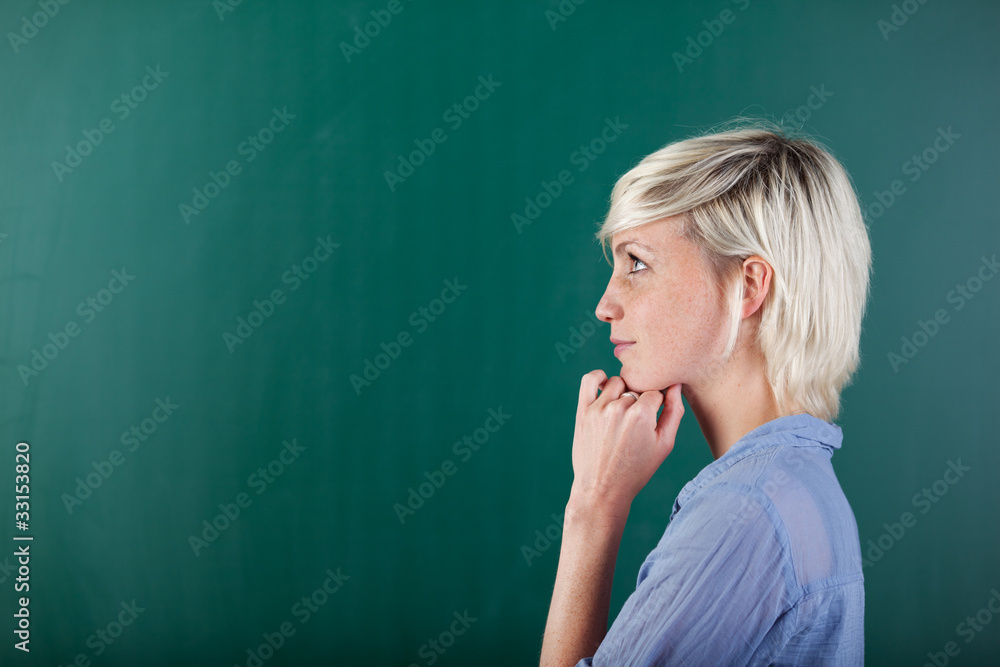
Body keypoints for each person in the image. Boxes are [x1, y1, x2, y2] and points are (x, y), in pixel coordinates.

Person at [540, 118, 871, 666]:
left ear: (748, 286)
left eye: (637, 263)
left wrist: (593, 507)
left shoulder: (745, 513)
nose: (604, 305)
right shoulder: (797, 484)